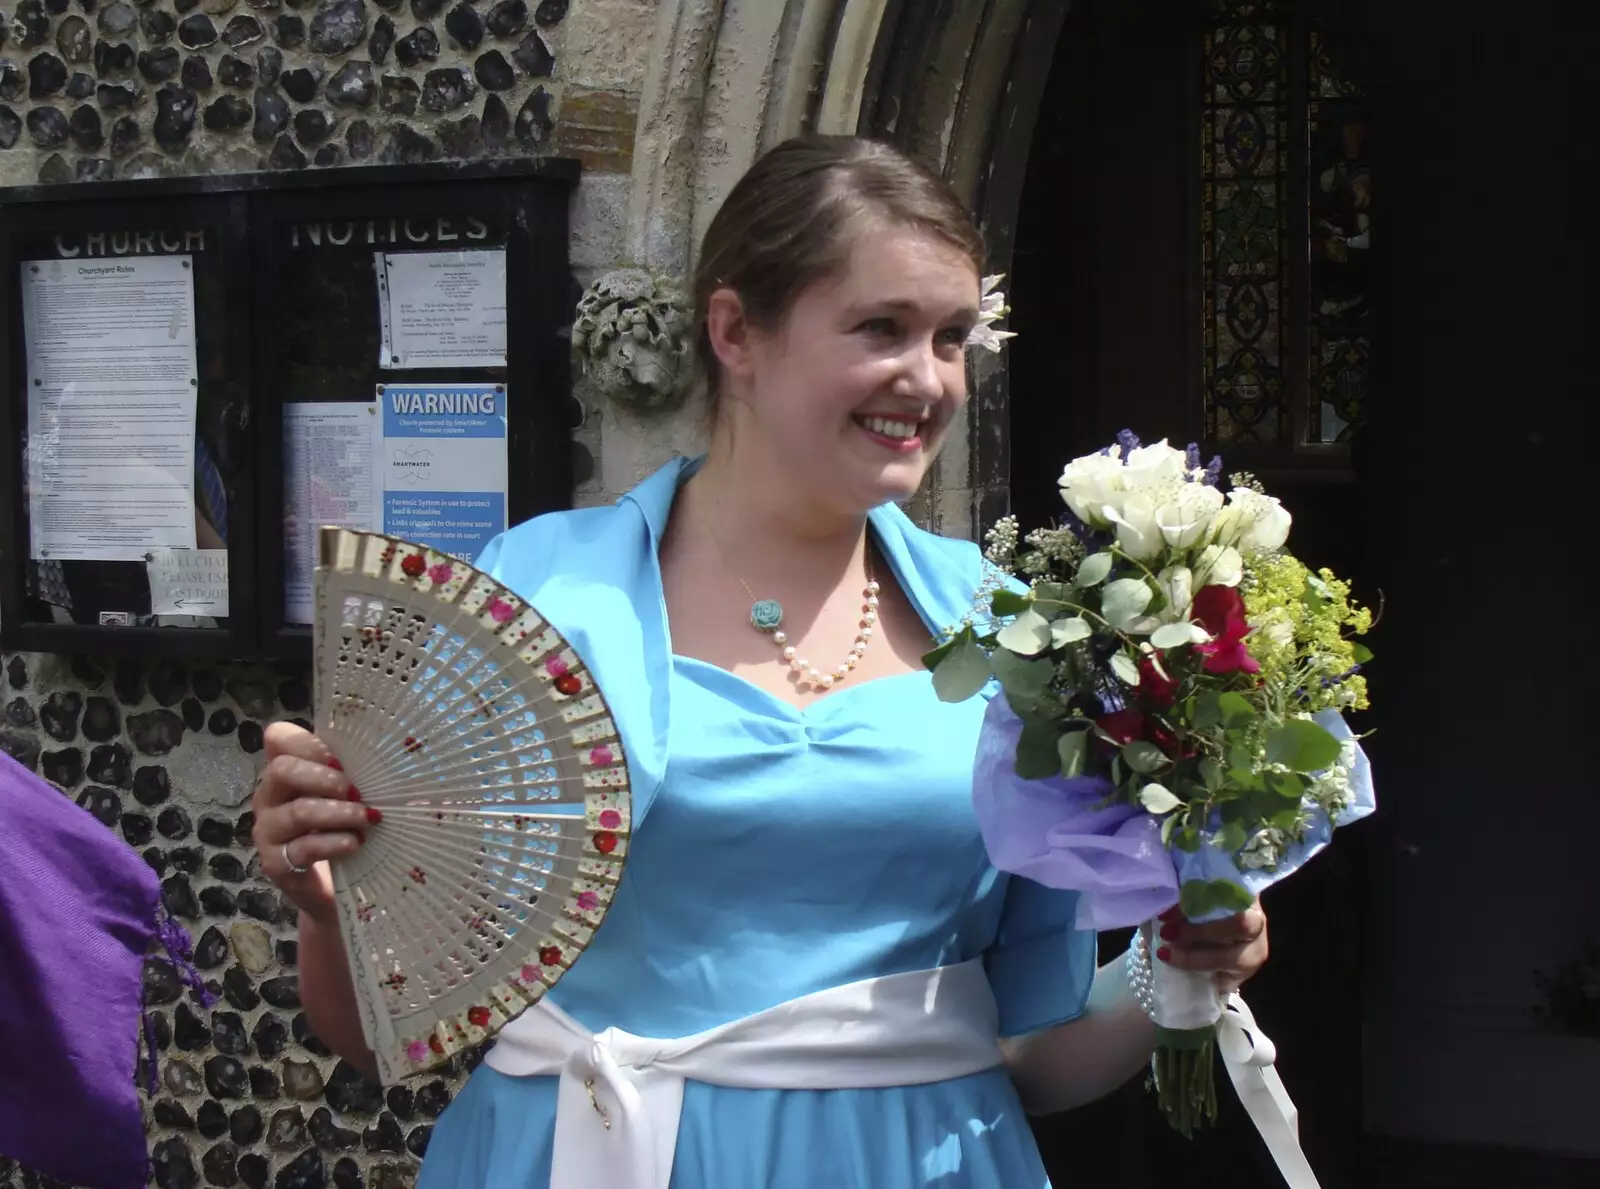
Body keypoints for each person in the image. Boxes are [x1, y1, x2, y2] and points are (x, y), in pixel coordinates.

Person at [250, 135, 1270, 1189]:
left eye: (952, 337)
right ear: (735, 329)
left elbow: (1028, 1059)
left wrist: (1178, 970)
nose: (927, 380)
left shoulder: (1018, 630)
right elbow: (376, 1035)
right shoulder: (541, 594)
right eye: (882, 327)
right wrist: (325, 905)